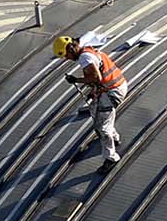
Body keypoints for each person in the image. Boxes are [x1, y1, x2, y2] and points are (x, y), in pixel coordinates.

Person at [53, 34, 128, 166]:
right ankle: (114, 137)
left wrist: (76, 80)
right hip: (115, 86)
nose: (67, 59)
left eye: (66, 55)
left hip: (112, 92)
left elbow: (95, 78)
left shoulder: (85, 58)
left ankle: (111, 158)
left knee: (102, 127)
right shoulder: (88, 50)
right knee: (96, 111)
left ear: (71, 49)